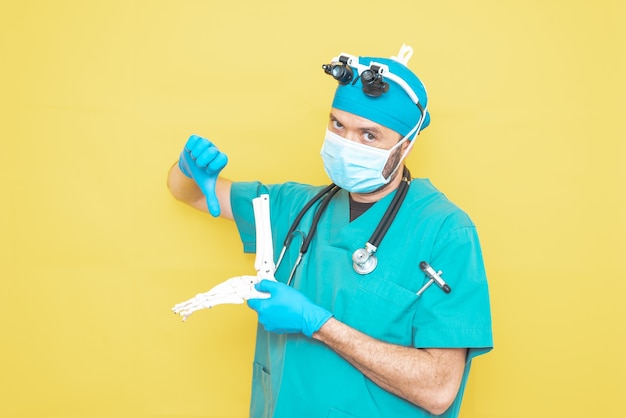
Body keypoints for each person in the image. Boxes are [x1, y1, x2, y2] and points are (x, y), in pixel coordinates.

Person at [167, 44, 493, 418]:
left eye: (369, 135)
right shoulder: (295, 206)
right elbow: (189, 194)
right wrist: (189, 169)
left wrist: (320, 325)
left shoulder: (446, 232)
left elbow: (439, 390)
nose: (345, 145)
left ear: (407, 144)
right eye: (338, 125)